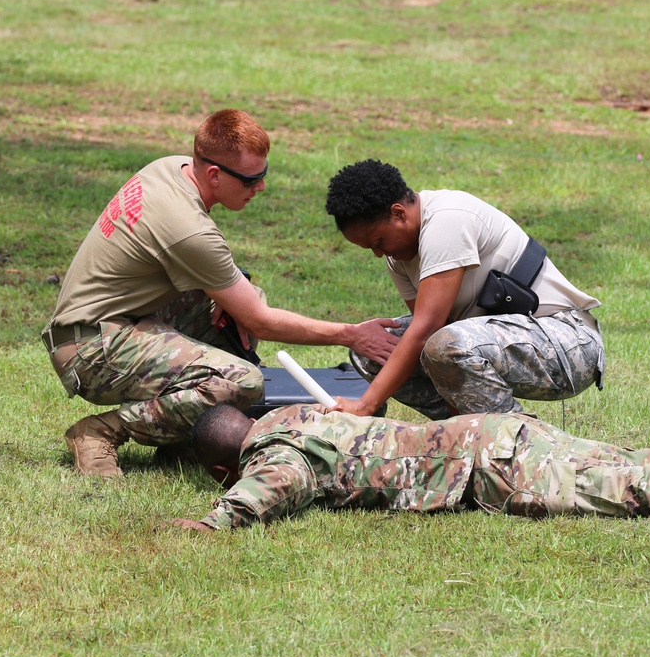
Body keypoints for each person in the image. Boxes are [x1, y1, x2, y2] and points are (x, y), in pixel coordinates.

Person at [41, 110, 398, 477]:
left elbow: (230, 293)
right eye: (251, 180)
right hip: (89, 350)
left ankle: (177, 437)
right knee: (241, 381)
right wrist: (351, 335)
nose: (260, 187)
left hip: (112, 320)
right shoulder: (189, 230)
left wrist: (237, 305)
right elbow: (258, 318)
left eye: (264, 174)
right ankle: (102, 431)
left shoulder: (171, 168)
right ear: (214, 174)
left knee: (237, 312)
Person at [169, 403, 650, 532]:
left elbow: (274, 484)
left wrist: (213, 521)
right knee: (643, 467)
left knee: (643, 486)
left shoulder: (272, 452)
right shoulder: (298, 414)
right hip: (496, 433)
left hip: (490, 465)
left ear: (226, 464)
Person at [323, 159, 604, 419]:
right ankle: (463, 432)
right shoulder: (397, 258)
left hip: (568, 345)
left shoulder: (447, 219)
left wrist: (366, 404)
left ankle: (520, 440)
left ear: (398, 213)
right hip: (496, 343)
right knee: (371, 348)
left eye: (378, 242)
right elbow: (432, 339)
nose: (378, 253)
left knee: (443, 343)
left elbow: (427, 330)